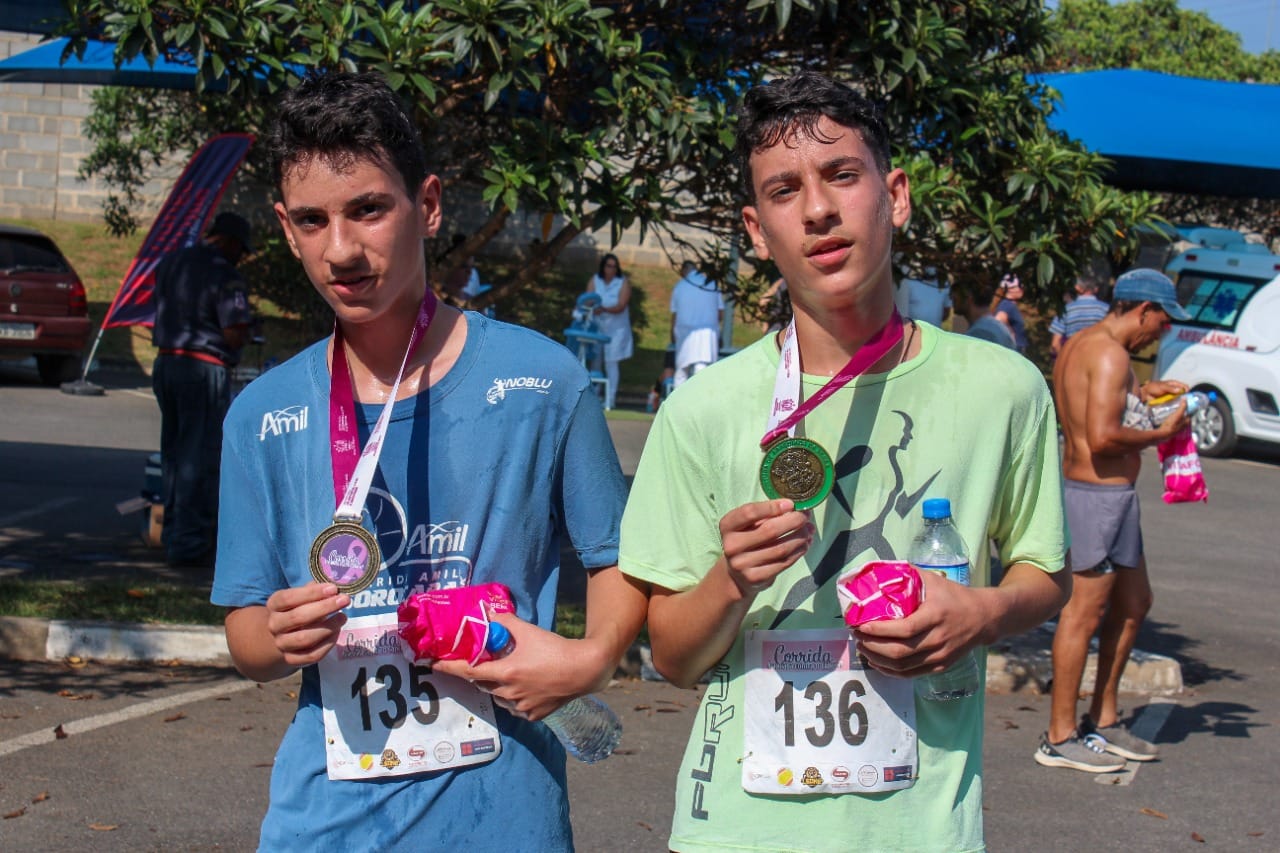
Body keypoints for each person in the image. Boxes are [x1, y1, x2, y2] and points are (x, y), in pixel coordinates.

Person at [618, 71, 1070, 852]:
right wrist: (732, 579)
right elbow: (673, 657)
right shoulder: (702, 410)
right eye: (784, 191)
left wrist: (983, 612)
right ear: (757, 232)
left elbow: (1047, 571)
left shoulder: (1005, 388)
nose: (819, 210)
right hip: (736, 831)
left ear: (894, 195)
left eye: (841, 175)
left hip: (924, 830)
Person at [211, 72, 646, 850]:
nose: (340, 249)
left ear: (431, 204)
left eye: (369, 209)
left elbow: (618, 560)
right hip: (327, 825)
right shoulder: (261, 417)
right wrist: (276, 633)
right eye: (312, 220)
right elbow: (245, 631)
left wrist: (591, 659)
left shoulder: (545, 383)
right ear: (283, 226)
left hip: (506, 819)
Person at [1037, 268, 1192, 773]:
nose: (1161, 332)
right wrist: (1162, 432)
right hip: (1096, 498)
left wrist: (1148, 395)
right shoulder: (1110, 353)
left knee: (1135, 602)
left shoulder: (1086, 346)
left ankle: (1102, 720)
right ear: (1142, 309)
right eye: (1162, 321)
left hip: (1111, 498)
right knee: (1081, 616)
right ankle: (1059, 736)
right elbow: (1102, 437)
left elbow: (1099, 406)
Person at [151, 211, 255, 568]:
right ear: (228, 241)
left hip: (166, 362)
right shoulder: (224, 274)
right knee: (200, 454)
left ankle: (171, 533)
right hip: (202, 366)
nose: (240, 257)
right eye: (240, 249)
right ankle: (190, 544)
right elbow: (234, 328)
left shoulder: (171, 263)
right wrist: (242, 341)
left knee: (175, 453)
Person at [586, 252, 633, 409]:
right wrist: (593, 306)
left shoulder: (622, 282)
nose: (611, 269)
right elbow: (587, 299)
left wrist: (604, 309)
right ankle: (595, 396)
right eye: (608, 266)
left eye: (614, 266)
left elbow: (621, 305)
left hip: (616, 330)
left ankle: (610, 398)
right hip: (598, 327)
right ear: (603, 266)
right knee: (596, 362)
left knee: (611, 363)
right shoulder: (595, 280)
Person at [669, 260, 725, 388]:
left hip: (685, 333)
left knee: (681, 370)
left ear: (683, 271)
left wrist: (671, 333)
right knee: (702, 368)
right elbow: (720, 314)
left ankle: (679, 404)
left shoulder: (680, 286)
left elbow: (675, 315)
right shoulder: (711, 284)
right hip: (707, 332)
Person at [1049, 271, 1110, 358]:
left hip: (1073, 358)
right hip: (1100, 358)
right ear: (1096, 289)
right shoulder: (1106, 309)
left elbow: (1055, 344)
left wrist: (1064, 360)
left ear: (1077, 288)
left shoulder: (1065, 310)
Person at [956, 278, 1015, 348]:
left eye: (955, 298)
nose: (951, 300)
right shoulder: (995, 326)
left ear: (969, 298)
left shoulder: (981, 333)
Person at [993, 272, 1028, 352]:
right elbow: (998, 321)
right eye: (1019, 286)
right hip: (1014, 351)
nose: (1022, 288)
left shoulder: (1009, 305)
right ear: (1010, 289)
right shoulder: (1007, 305)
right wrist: (1010, 336)